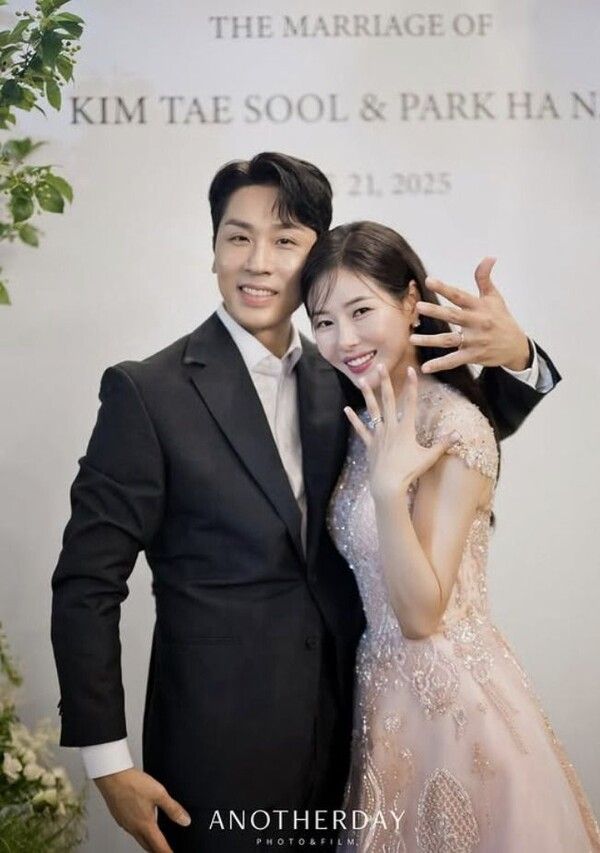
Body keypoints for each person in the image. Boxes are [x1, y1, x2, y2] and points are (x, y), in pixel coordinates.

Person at [51, 153, 560, 853]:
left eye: (285, 240)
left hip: (356, 737)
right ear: (214, 250)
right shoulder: (147, 392)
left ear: (315, 256)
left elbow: (454, 427)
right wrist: (108, 761)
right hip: (217, 752)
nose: (258, 261)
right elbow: (87, 582)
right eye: (237, 237)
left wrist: (521, 354)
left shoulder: (346, 370)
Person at [301, 220, 600, 852]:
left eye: (361, 311)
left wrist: (389, 492)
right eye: (323, 321)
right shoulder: (353, 405)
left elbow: (420, 616)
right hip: (381, 696)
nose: (344, 338)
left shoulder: (455, 424)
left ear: (411, 300)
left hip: (454, 707)